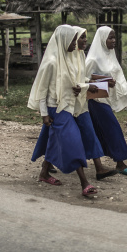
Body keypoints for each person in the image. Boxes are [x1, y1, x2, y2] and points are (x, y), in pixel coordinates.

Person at [28, 25, 99, 196]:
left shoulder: (68, 58)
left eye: (75, 40)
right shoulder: (51, 62)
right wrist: (44, 114)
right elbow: (41, 91)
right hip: (56, 108)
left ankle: (44, 173)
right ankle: (84, 183)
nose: (74, 44)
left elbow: (76, 81)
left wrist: (88, 85)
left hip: (70, 107)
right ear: (63, 39)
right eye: (73, 40)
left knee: (55, 140)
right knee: (72, 142)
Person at [85, 26, 127, 176]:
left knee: (96, 132)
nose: (114, 41)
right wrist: (104, 81)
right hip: (95, 101)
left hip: (105, 99)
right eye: (110, 38)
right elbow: (82, 79)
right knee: (113, 128)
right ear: (102, 39)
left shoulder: (110, 55)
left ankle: (54, 160)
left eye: (114, 37)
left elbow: (119, 77)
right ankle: (120, 162)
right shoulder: (93, 59)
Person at [72, 26, 118, 181]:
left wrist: (97, 82)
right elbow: (69, 82)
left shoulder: (80, 56)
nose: (85, 41)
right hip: (64, 105)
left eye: (86, 37)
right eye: (81, 38)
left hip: (81, 102)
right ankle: (46, 166)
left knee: (88, 131)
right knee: (54, 136)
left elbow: (83, 78)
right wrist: (89, 85)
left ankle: (99, 168)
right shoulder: (62, 60)